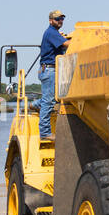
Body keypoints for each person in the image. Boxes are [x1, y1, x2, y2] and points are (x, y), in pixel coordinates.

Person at [39, 9, 72, 142]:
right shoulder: (51, 33)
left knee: (52, 99)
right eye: (58, 19)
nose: (60, 21)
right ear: (50, 20)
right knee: (49, 101)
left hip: (50, 70)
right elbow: (66, 44)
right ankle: (45, 133)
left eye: (62, 19)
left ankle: (36, 104)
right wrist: (80, 40)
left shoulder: (54, 33)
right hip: (50, 70)